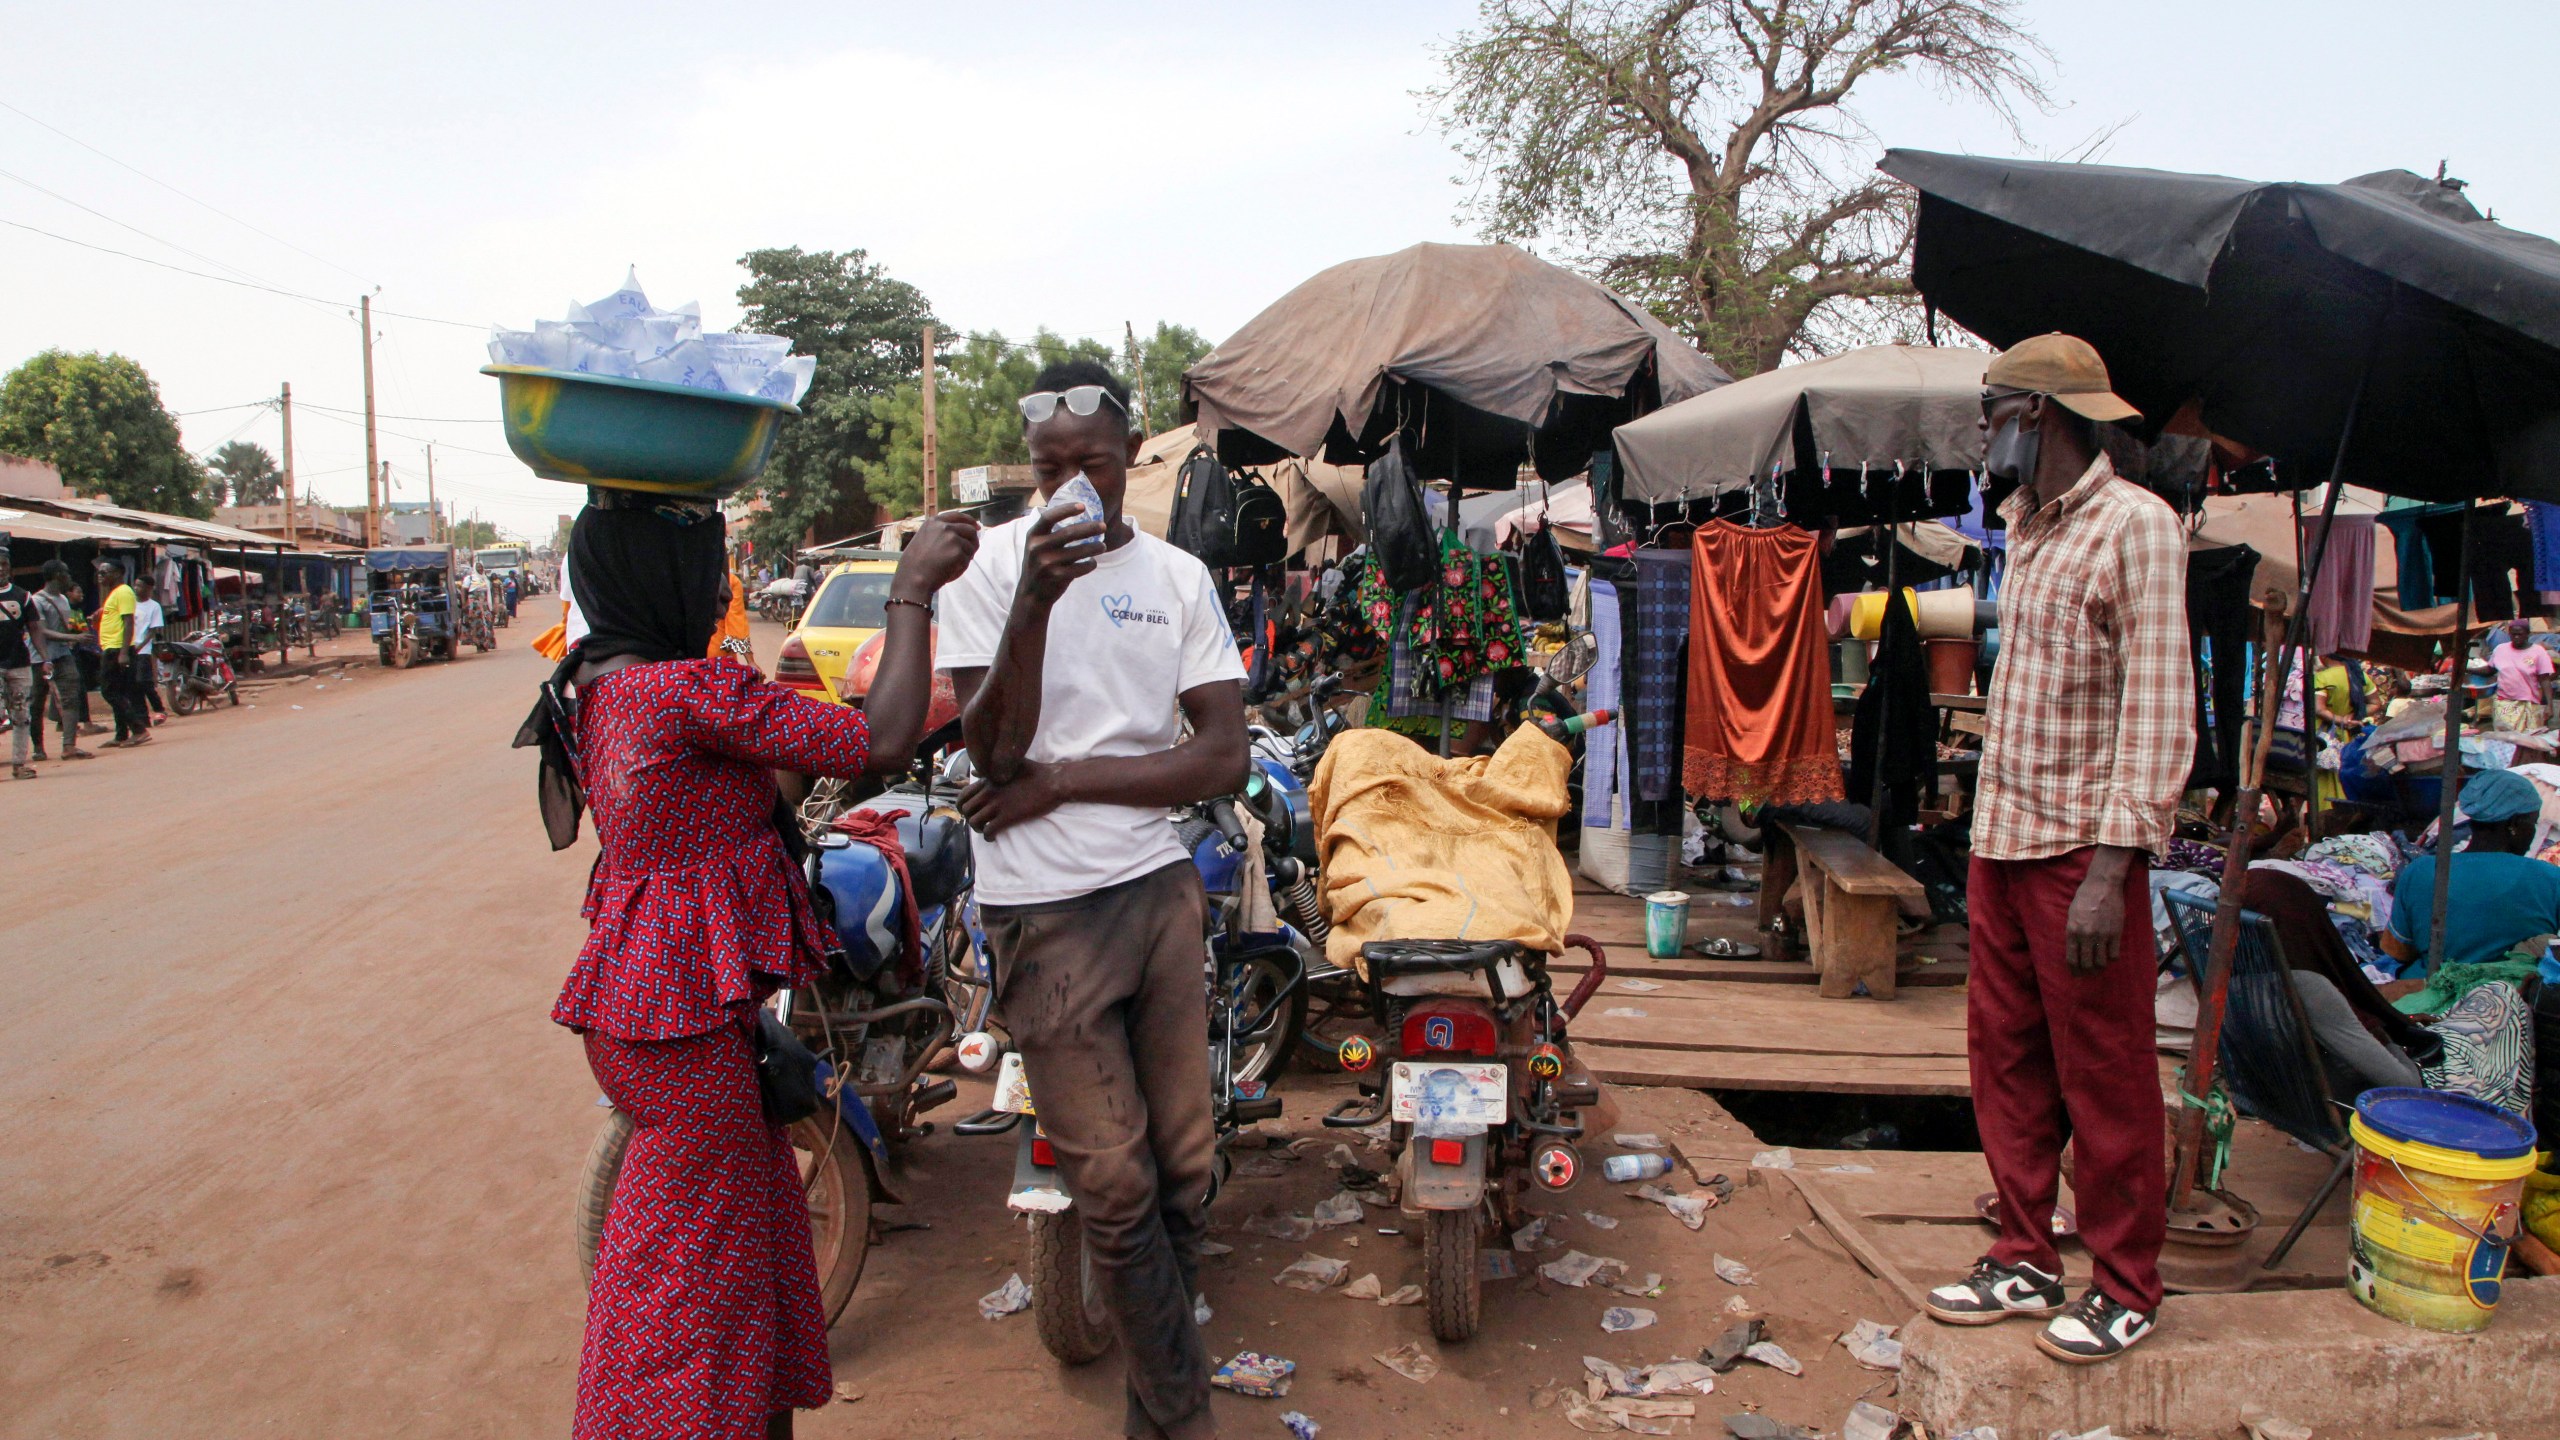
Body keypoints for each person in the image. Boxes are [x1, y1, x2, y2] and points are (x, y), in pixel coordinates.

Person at [519, 493, 978, 1440]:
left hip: (655, 1011)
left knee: (746, 1258)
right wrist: (911, 591)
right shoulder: (682, 692)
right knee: (694, 1305)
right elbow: (880, 742)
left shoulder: (603, 682)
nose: (723, 587)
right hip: (684, 1031)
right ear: (671, 581)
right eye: (709, 570)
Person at [938, 360, 1247, 1440]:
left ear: (1130, 459)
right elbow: (992, 747)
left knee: (1183, 1174)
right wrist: (1032, 596)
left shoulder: (1175, 578)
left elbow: (1221, 759)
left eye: (1093, 463)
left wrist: (1066, 782)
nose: (1070, 484)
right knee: (1111, 1189)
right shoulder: (986, 570)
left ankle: (1155, 1410)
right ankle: (1183, 1418)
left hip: (1154, 890)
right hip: (1041, 909)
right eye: (1049, 467)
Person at [1925, 335, 2192, 1364]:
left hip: (2083, 854)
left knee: (2107, 1074)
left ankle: (2126, 1284)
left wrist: (2115, 868)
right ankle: (2024, 1254)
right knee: (2006, 1060)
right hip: (2003, 837)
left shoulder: (2135, 527)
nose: (1980, 430)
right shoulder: (2027, 530)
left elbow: (2159, 709)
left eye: (1990, 409)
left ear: (2034, 414)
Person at [30, 561, 91, 762]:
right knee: (36, 703)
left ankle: (69, 746)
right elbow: (41, 630)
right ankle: (38, 747)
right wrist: (74, 638)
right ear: (57, 575)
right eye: (66, 573)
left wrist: (74, 635)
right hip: (40, 657)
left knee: (71, 697)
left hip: (63, 654)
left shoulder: (63, 599)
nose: (69, 577)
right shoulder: (37, 601)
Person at [94, 557, 149, 747]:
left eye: (104, 572)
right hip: (112, 647)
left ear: (117, 574)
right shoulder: (114, 594)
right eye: (99, 572)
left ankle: (139, 729)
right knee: (118, 691)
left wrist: (123, 653)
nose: (99, 576)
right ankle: (121, 734)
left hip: (117, 649)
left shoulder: (123, 592)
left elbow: (128, 622)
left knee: (109, 691)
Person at [1, 542, 41, 779]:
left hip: (19, 664)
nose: (0, 569)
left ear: (10, 568)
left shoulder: (23, 596)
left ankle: (19, 764)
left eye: (4, 564)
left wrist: (44, 658)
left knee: (21, 715)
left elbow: (35, 628)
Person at [2489, 620, 2554, 733]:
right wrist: (2464, 667)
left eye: (2520, 634)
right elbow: (2489, 670)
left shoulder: (2538, 652)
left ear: (2528, 634)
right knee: (2506, 740)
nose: (2516, 637)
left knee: (2529, 741)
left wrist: (2549, 705)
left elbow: (2545, 679)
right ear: (2509, 634)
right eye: (2513, 634)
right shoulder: (2500, 650)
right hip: (2505, 704)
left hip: (2529, 704)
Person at [130, 575, 167, 723]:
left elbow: (153, 631)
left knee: (143, 681)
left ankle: (159, 709)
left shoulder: (154, 606)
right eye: (135, 585)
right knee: (133, 684)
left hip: (142, 649)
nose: (136, 588)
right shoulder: (130, 603)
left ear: (149, 588)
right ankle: (142, 716)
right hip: (129, 648)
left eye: (139, 586)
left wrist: (140, 646)